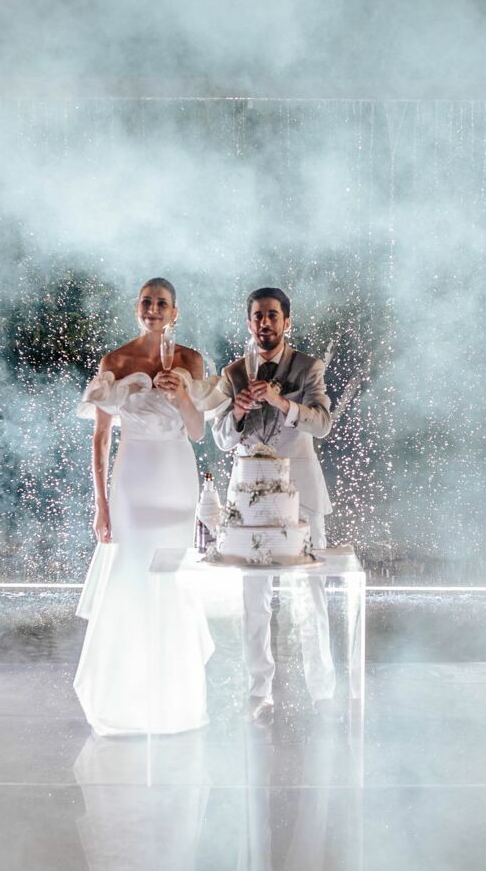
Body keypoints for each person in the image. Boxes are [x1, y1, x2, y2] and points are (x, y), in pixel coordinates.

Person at [72, 277, 217, 735]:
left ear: (176, 313)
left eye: (163, 304)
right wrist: (100, 503)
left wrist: (179, 396)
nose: (154, 309)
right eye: (147, 302)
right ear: (138, 308)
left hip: (177, 478)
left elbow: (197, 432)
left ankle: (175, 701)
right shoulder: (115, 361)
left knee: (173, 581)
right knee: (132, 578)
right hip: (132, 481)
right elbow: (100, 438)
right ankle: (126, 700)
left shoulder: (191, 360)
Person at [210, 286, 335, 720]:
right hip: (247, 502)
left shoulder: (308, 367)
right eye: (258, 316)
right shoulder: (231, 373)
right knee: (252, 599)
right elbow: (223, 438)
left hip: (301, 493)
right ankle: (258, 690)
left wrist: (280, 401)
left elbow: (322, 424)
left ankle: (322, 692)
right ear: (249, 323)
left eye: (273, 316)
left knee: (312, 596)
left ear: (286, 322)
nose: (265, 323)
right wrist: (240, 411)